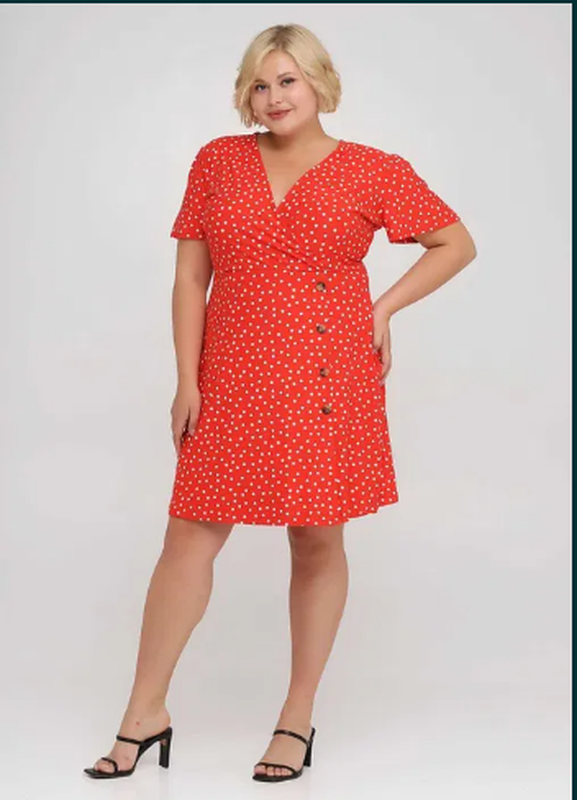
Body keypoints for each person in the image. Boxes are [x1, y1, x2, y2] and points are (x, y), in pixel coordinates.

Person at [84, 22, 477, 784]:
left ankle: (296, 717)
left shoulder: (371, 169)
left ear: (319, 83)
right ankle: (144, 711)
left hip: (328, 377)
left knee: (315, 540)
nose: (273, 97)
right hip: (229, 375)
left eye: (287, 80)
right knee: (187, 538)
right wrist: (187, 379)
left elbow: (454, 243)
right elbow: (189, 278)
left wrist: (382, 308)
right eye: (259, 85)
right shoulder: (217, 161)